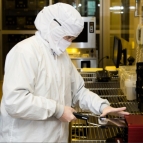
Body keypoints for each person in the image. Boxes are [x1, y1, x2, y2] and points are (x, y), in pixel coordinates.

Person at [0, 3, 129, 142]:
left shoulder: (60, 55)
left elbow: (78, 91)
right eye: (67, 37)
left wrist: (102, 106)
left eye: (72, 39)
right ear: (53, 28)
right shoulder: (25, 52)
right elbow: (15, 102)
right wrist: (58, 110)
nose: (69, 43)